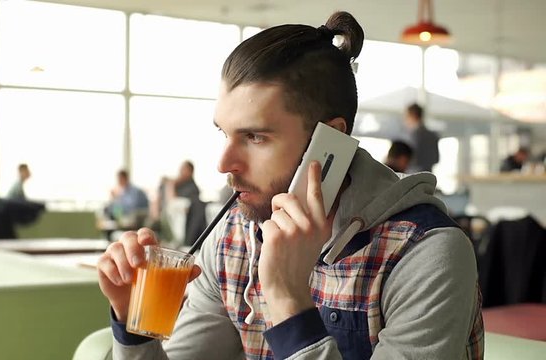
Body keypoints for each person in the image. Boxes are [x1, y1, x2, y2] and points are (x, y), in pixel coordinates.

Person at [97, 11, 483, 359]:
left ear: (328, 143)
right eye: (225, 133)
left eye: (256, 137)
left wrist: (286, 298)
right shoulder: (232, 236)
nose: (223, 164)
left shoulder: (425, 253)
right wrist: (135, 332)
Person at [404, 102, 440, 173]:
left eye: (406, 116)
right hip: (429, 175)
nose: (405, 120)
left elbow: (411, 159)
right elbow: (436, 159)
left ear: (412, 116)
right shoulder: (433, 135)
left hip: (413, 175)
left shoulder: (413, 135)